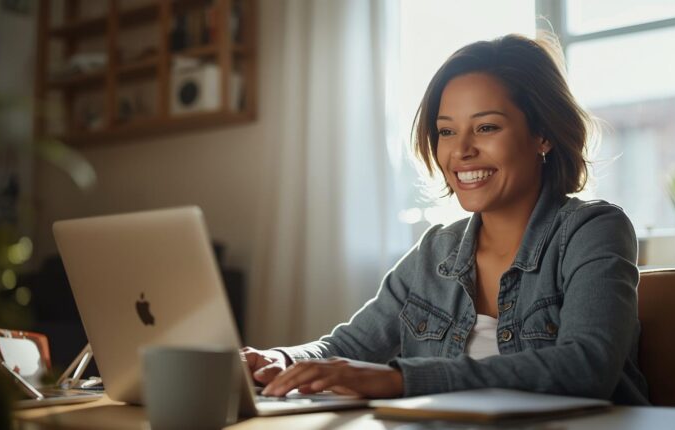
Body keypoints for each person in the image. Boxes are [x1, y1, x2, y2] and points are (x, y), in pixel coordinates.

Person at [241, 33, 649, 405]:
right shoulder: (435, 252)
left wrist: (400, 380)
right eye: (447, 132)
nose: (461, 151)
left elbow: (586, 367)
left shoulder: (592, 231)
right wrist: (275, 359)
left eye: (486, 127)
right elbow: (346, 348)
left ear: (542, 135)